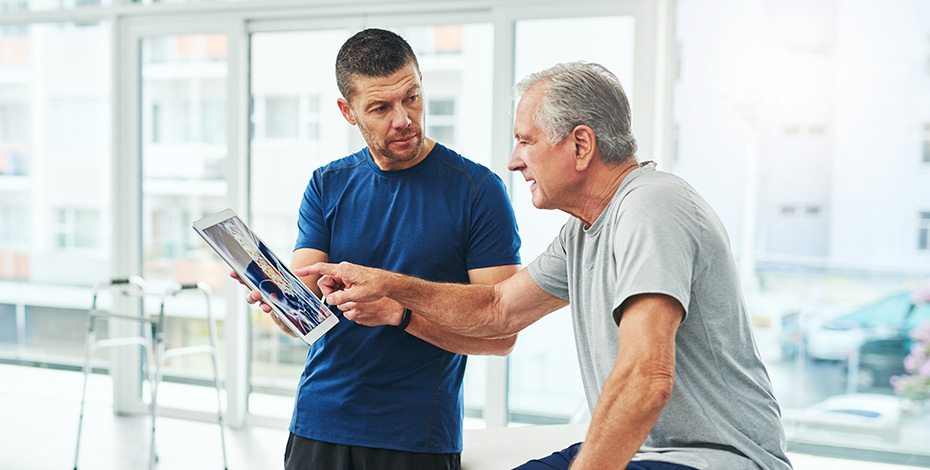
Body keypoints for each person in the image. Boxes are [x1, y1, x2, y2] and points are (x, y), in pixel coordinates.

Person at [301, 62, 794, 470]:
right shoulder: (582, 231)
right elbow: (497, 308)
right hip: (651, 451)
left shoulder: (652, 206)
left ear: (580, 145)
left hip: (716, 457)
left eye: (526, 141)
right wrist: (389, 287)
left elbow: (648, 379)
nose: (514, 161)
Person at [237, 28, 521, 470]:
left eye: (411, 97)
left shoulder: (478, 191)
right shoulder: (326, 184)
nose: (404, 118)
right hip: (318, 422)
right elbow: (303, 320)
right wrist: (279, 304)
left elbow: (502, 336)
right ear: (347, 112)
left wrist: (400, 314)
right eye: (380, 107)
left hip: (416, 436)